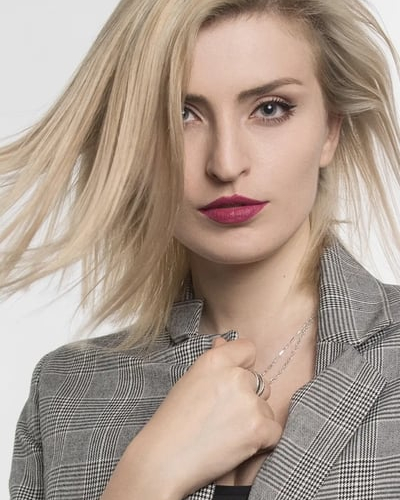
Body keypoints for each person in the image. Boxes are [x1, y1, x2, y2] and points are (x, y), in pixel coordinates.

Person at [3, 0, 400, 498]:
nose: (226, 163)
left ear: (331, 130)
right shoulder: (66, 394)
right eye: (180, 115)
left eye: (270, 109)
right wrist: (148, 477)